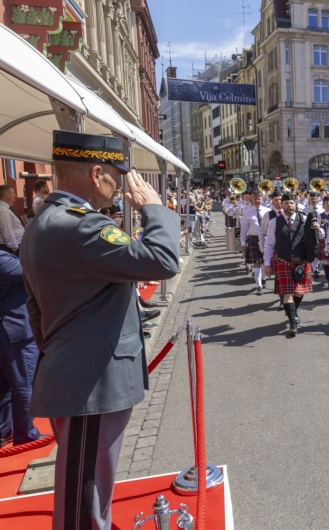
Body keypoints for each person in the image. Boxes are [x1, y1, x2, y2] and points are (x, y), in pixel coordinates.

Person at [21, 131, 180, 529]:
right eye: (116, 175)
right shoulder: (82, 227)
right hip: (90, 382)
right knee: (84, 504)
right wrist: (156, 209)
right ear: (96, 174)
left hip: (77, 374)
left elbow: (36, 310)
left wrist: (63, 352)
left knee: (90, 490)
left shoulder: (45, 221)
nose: (121, 186)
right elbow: (162, 260)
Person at [263, 192, 324, 337]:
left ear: (295, 204)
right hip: (284, 261)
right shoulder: (274, 222)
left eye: (291, 203)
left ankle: (293, 313)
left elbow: (320, 236)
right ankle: (293, 323)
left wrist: (318, 229)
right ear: (281, 205)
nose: (289, 205)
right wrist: (266, 263)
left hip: (302, 262)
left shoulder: (304, 219)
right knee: (288, 294)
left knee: (299, 292)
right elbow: (269, 243)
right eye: (286, 203)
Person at [0, 249, 42, 448]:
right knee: (25, 385)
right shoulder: (2, 261)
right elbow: (34, 267)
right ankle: (27, 434)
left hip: (9, 329)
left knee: (6, 386)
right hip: (14, 331)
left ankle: (4, 430)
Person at [240, 192, 269, 295]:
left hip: (266, 239)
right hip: (253, 239)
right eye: (255, 199)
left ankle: (263, 279)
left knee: (265, 262)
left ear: (262, 199)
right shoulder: (247, 213)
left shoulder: (267, 211)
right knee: (256, 263)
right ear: (251, 199)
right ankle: (259, 286)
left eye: (259, 199)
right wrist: (243, 243)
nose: (257, 201)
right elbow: (243, 229)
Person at [0, 185, 24, 254]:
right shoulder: (3, 211)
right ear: (7, 195)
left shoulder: (5, 209)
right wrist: (14, 248)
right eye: (13, 193)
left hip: (12, 246)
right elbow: (7, 231)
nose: (15, 195)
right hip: (10, 248)